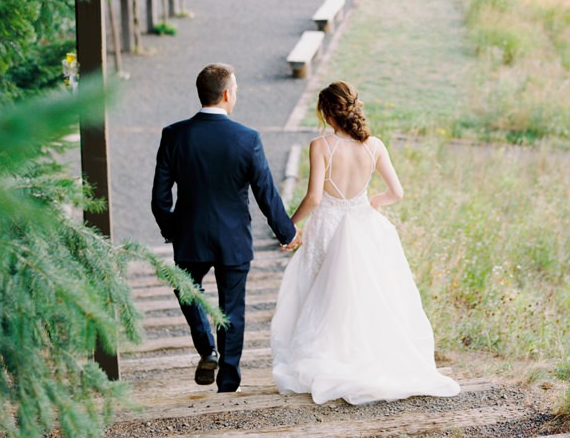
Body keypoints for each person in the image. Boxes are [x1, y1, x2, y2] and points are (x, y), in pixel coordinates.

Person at [270, 81, 460, 404]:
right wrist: (375, 201)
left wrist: (288, 225)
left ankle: (330, 359)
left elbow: (315, 198)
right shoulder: (375, 146)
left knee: (323, 294)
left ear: (329, 113)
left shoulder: (321, 146)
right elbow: (397, 193)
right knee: (359, 295)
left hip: (328, 225)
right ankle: (362, 357)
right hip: (362, 225)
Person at [152, 63, 301, 393]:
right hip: (233, 239)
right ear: (226, 94)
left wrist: (173, 230)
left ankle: (207, 350)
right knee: (232, 307)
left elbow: (160, 198)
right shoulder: (247, 139)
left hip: (189, 237)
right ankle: (228, 380)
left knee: (188, 292)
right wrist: (287, 232)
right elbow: (266, 192)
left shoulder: (174, 135)